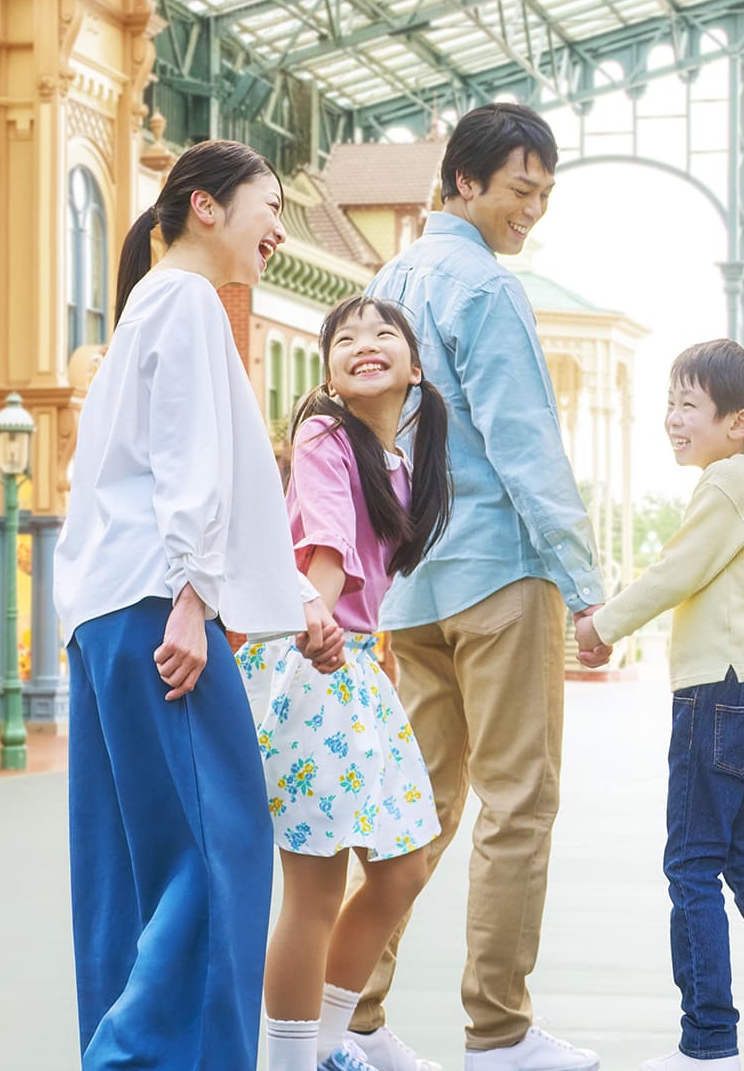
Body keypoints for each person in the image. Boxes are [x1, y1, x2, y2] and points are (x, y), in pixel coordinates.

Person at [54, 139, 324, 1070]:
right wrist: (193, 593)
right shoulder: (187, 300)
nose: (279, 229)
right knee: (222, 849)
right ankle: (132, 1057)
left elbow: (145, 476)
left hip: (107, 611)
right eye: (270, 204)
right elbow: (189, 459)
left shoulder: (145, 308)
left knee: (126, 870)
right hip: (158, 605)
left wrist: (279, 591)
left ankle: (126, 1047)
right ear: (206, 206)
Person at [353, 103, 607, 1071]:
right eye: (519, 189)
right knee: (518, 803)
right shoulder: (483, 290)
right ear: (463, 181)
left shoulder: (384, 286)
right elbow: (524, 440)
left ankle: (353, 1018)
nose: (531, 210)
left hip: (412, 589)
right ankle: (497, 1031)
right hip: (499, 573)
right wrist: (583, 583)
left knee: (413, 805)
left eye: (542, 192)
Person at [575, 340, 744, 1071]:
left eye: (689, 404)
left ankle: (708, 1047)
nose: (672, 417)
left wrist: (600, 626)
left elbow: (675, 571)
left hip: (721, 690)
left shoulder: (727, 481)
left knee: (692, 865)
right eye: (670, 401)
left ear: (739, 420)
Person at [240, 296, 454, 1071]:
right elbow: (324, 546)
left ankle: (331, 1045)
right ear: (329, 371)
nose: (365, 343)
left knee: (403, 865)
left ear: (416, 366)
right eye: (346, 338)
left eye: (383, 333)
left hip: (353, 665)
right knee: (316, 883)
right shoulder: (325, 431)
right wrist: (318, 618)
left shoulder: (400, 459)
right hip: (311, 658)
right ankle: (294, 1061)